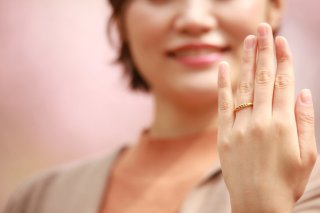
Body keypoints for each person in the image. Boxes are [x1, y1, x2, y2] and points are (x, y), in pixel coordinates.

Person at [4, 0, 320, 212]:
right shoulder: (39, 199)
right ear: (119, 16)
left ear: (274, 7)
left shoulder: (307, 188)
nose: (193, 20)